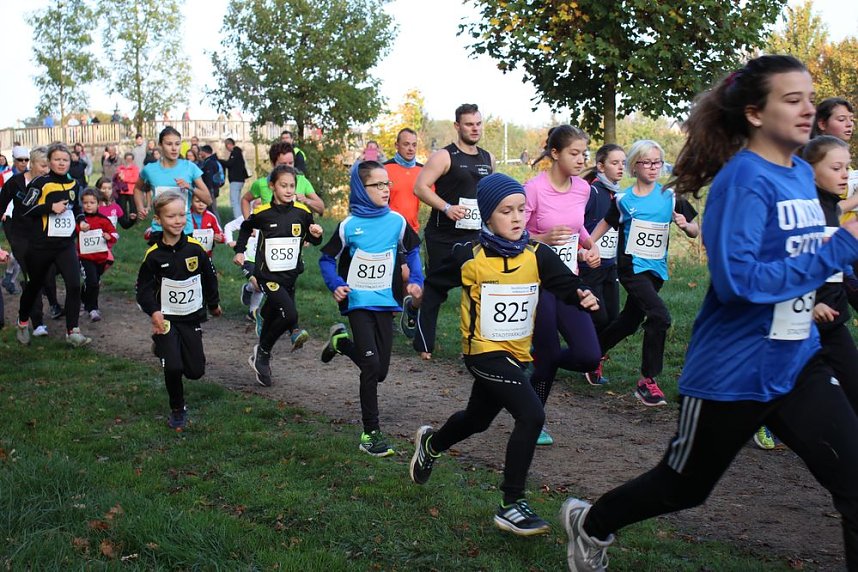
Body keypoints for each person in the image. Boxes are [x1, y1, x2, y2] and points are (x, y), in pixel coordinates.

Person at [560, 54, 858, 572]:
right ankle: (592, 522)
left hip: (797, 362)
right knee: (684, 486)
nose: (809, 109)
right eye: (793, 100)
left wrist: (828, 277)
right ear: (755, 113)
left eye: (810, 98)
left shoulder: (798, 175)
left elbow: (799, 258)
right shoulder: (741, 181)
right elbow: (741, 282)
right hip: (733, 373)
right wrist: (840, 246)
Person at [408, 173, 599, 535]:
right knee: (532, 414)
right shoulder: (469, 255)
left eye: (521, 210)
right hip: (483, 353)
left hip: (517, 354)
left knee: (477, 420)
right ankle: (511, 503)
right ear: (487, 216)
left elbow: (565, 283)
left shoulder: (537, 254)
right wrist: (425, 338)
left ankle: (432, 443)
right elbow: (434, 286)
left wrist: (582, 296)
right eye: (505, 211)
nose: (516, 218)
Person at [319, 161, 424, 457]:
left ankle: (341, 343)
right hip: (358, 303)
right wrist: (335, 283)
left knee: (381, 371)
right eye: (377, 185)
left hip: (385, 303)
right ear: (361, 189)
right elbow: (326, 259)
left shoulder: (397, 222)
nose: (385, 189)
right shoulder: (348, 226)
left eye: (387, 183)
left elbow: (413, 250)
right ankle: (370, 434)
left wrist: (416, 280)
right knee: (370, 367)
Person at [589, 139, 699, 406]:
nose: (653, 167)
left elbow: (695, 230)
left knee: (629, 320)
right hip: (632, 268)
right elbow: (606, 222)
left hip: (656, 270)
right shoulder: (624, 200)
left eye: (657, 162)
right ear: (634, 166)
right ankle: (647, 381)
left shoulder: (671, 196)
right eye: (647, 162)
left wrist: (686, 226)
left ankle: (591, 356)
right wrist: (587, 245)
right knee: (659, 316)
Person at [524, 125, 603, 447]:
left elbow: (577, 226)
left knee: (589, 356)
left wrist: (588, 245)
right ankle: (533, 421)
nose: (581, 159)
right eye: (574, 153)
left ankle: (539, 364)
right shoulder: (533, 189)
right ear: (555, 153)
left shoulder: (583, 189)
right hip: (538, 283)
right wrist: (541, 238)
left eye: (584, 153)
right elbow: (513, 232)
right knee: (548, 354)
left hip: (568, 282)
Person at [413, 103, 495, 360]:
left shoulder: (488, 158)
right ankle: (424, 344)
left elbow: (490, 194)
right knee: (436, 287)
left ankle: (472, 346)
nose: (475, 128)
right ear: (457, 126)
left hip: (474, 235)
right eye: (469, 124)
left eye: (478, 123)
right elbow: (420, 187)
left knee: (475, 289)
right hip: (442, 235)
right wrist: (446, 207)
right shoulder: (444, 156)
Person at [136, 190, 222, 431]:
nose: (177, 221)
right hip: (166, 319)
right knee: (173, 366)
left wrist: (213, 304)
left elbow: (210, 277)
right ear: (158, 219)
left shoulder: (195, 249)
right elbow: (143, 290)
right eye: (171, 216)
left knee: (195, 371)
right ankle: (177, 409)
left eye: (181, 215)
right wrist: (154, 312)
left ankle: (163, 347)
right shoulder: (153, 256)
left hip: (191, 316)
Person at [233, 165, 323, 387]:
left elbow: (313, 238)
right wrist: (240, 251)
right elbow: (245, 228)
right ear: (272, 186)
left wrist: (317, 234)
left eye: (292, 186)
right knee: (290, 315)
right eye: (284, 185)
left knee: (274, 316)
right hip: (268, 276)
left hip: (290, 276)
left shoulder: (302, 212)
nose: (289, 190)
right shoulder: (262, 213)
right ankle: (264, 352)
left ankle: (260, 354)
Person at [801, 136, 858, 414]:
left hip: (833, 321)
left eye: (847, 167)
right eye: (836, 168)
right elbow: (790, 264)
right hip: (800, 323)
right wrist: (809, 304)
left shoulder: (832, 207)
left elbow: (838, 266)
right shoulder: (802, 211)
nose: (845, 174)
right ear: (810, 170)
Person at [16, 143, 91, 347]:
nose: (61, 163)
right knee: (34, 287)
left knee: (74, 285)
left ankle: (72, 331)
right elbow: (24, 209)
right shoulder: (40, 183)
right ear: (49, 162)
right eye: (57, 159)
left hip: (65, 245)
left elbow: (76, 208)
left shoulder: (74, 184)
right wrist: (50, 207)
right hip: (41, 246)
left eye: (65, 160)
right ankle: (23, 321)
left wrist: (82, 221)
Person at [580, 144, 626, 384]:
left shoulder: (620, 197)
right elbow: (576, 223)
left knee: (613, 319)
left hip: (611, 265)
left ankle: (590, 358)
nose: (620, 167)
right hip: (590, 267)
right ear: (600, 166)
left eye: (623, 163)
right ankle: (589, 361)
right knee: (599, 317)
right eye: (614, 163)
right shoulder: (591, 192)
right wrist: (583, 249)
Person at [0, 146, 51, 337]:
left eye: (48, 166)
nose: (46, 170)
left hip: (45, 235)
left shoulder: (50, 182)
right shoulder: (15, 182)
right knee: (33, 275)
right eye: (43, 165)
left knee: (47, 275)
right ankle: (38, 323)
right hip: (20, 234)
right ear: (33, 163)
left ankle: (49, 303)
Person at [384, 127, 427, 338]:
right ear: (397, 145)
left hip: (412, 232)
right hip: (388, 231)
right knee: (396, 274)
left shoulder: (422, 171)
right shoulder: (385, 169)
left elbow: (434, 196)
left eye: (414, 145)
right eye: (406, 144)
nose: (410, 148)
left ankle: (408, 310)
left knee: (413, 277)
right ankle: (390, 315)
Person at [134, 126, 212, 240]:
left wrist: (190, 187)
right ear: (160, 145)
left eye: (177, 144)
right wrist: (140, 207)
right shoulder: (150, 169)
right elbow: (137, 188)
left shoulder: (190, 167)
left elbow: (208, 200)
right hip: (159, 230)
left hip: (185, 230)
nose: (174, 148)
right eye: (169, 144)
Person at [241, 142, 324, 216]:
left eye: (291, 163)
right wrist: (249, 224)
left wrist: (306, 200)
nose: (288, 167)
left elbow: (321, 208)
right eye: (283, 164)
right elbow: (245, 200)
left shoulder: (302, 181)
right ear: (273, 163)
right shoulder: (261, 184)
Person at [77, 188, 118, 322]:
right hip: (85, 258)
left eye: (92, 202)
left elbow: (115, 234)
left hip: (100, 258)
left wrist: (109, 236)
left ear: (98, 203)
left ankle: (83, 300)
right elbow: (72, 233)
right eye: (85, 203)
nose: (88, 205)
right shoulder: (80, 221)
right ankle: (92, 308)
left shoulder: (103, 220)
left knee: (94, 282)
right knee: (92, 281)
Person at [221, 138, 250, 220]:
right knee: (237, 199)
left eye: (226, 146)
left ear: (229, 144)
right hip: (240, 180)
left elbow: (229, 164)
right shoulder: (238, 152)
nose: (226, 148)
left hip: (236, 180)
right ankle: (241, 217)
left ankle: (238, 219)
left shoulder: (235, 152)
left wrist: (221, 161)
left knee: (234, 200)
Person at [199, 145, 224, 218]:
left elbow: (208, 178)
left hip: (210, 189)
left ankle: (217, 224)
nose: (200, 153)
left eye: (201, 152)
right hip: (214, 188)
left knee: (212, 210)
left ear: (204, 152)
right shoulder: (213, 161)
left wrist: (207, 190)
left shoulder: (209, 163)